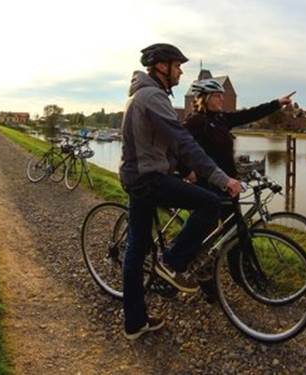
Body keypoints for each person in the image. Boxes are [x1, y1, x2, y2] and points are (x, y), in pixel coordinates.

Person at [118, 43, 242, 340]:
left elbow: (163, 142)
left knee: (136, 247)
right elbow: (183, 139)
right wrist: (222, 178)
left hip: (138, 176)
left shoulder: (143, 94)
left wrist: (184, 169)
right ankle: (171, 262)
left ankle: (134, 323)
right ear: (162, 67)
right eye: (177, 65)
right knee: (210, 203)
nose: (181, 71)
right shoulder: (152, 96)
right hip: (148, 178)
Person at [179, 79, 294, 302]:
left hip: (228, 187)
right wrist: (186, 170)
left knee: (235, 234)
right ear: (204, 98)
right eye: (217, 95)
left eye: (222, 95)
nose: (222, 99)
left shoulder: (222, 119)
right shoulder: (195, 122)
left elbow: (249, 114)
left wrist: (277, 103)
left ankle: (245, 278)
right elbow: (176, 145)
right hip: (207, 189)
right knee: (205, 237)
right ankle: (203, 280)